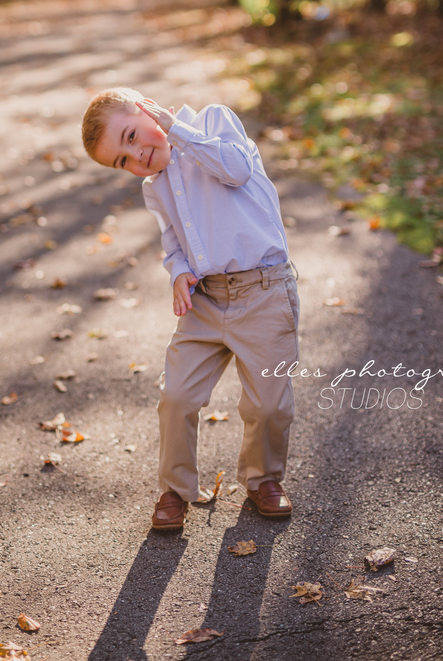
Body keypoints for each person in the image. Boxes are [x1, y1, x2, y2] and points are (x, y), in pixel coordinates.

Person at [81, 87, 299, 530]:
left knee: (268, 404)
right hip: (205, 300)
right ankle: (175, 490)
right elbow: (173, 240)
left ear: (148, 110)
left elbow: (236, 170)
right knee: (177, 395)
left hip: (264, 290)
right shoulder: (155, 187)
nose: (136, 155)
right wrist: (179, 270)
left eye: (131, 136)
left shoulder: (211, 123)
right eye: (121, 160)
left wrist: (177, 130)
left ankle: (262, 480)